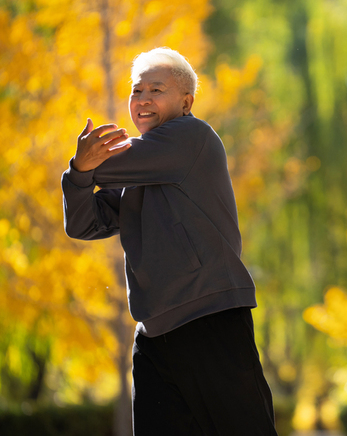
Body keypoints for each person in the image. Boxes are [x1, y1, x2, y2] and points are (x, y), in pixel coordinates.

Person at [62, 47, 278, 435]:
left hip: (210, 317)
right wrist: (79, 173)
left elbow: (104, 167)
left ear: (186, 100)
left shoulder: (191, 136)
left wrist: (83, 167)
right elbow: (83, 224)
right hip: (154, 333)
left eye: (155, 90)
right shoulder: (140, 172)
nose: (142, 99)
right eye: (136, 90)